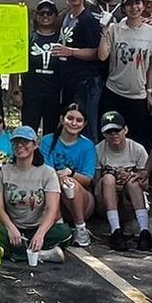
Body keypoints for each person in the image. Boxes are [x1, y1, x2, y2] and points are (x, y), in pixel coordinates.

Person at [0, 126, 71, 264]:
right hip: (13, 227)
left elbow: (51, 208)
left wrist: (40, 234)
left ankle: (11, 252)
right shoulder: (3, 172)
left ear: (35, 144)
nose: (20, 146)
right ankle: (40, 254)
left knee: (64, 233)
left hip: (38, 226)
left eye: (25, 142)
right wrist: (10, 227)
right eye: (16, 142)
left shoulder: (48, 173)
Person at [101, 0, 152, 146]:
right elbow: (102, 56)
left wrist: (149, 92)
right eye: (129, 4)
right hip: (114, 90)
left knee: (135, 137)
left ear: (143, 5)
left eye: (137, 3)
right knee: (111, 133)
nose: (134, 8)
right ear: (123, 8)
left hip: (138, 95)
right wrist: (104, 30)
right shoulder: (115, 29)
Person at [40, 104, 98, 247]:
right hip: (53, 192)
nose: (73, 123)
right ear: (61, 119)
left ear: (84, 124)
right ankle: (58, 227)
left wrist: (70, 174)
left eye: (79, 120)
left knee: (70, 184)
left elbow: (87, 180)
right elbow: (44, 172)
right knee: (54, 185)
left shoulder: (88, 146)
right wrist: (59, 178)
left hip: (82, 200)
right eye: (70, 118)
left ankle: (80, 228)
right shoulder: (47, 141)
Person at [55, 0, 105, 139]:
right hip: (68, 81)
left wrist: (71, 51)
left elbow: (96, 52)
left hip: (86, 83)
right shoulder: (65, 17)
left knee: (86, 126)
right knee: (69, 126)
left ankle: (91, 161)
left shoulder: (88, 19)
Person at [94, 111, 151, 251]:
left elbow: (146, 184)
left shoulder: (137, 149)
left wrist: (130, 175)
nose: (113, 135)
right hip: (106, 200)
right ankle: (115, 231)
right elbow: (95, 183)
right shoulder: (98, 150)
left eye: (117, 130)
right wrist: (112, 177)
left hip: (129, 200)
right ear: (104, 134)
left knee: (133, 181)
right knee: (108, 179)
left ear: (125, 129)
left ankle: (145, 231)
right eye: (109, 132)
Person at [14, 0, 66, 134]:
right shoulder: (29, 38)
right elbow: (16, 64)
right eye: (41, 13)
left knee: (51, 133)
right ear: (36, 16)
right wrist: (16, 91)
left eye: (49, 13)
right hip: (31, 94)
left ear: (55, 16)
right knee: (28, 132)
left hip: (53, 94)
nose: (45, 16)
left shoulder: (61, 39)